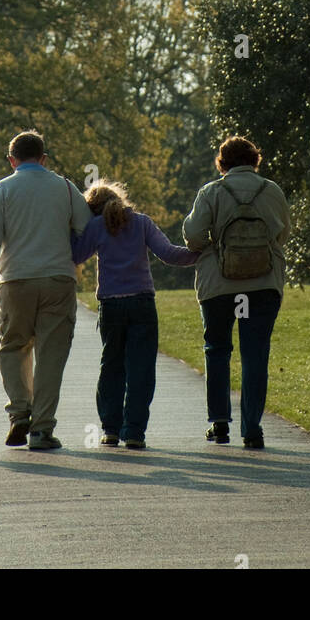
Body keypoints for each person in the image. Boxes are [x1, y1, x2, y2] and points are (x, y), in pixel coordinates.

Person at [0, 130, 90, 450]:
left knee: (13, 347)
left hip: (15, 281)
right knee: (50, 355)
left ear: (12, 160)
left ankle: (20, 411)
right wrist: (71, 258)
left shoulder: (2, 190)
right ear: (44, 158)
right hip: (57, 280)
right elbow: (87, 231)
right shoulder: (65, 188)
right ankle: (42, 429)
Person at [71, 180, 198, 449]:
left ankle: (110, 429)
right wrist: (200, 253)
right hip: (142, 302)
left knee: (111, 367)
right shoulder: (141, 222)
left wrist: (71, 230)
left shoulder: (96, 226)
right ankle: (134, 431)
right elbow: (169, 254)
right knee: (141, 369)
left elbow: (76, 255)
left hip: (111, 306)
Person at [182, 135, 290, 449]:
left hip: (219, 286)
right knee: (255, 355)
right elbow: (282, 233)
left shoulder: (212, 192)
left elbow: (193, 234)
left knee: (217, 350)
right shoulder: (272, 191)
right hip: (262, 284)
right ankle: (252, 427)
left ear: (223, 163)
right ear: (255, 160)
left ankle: (219, 423)